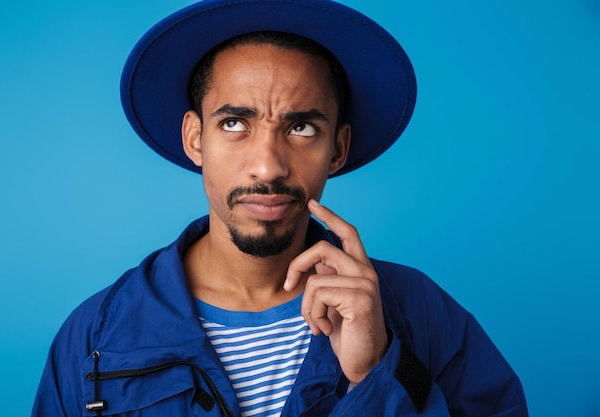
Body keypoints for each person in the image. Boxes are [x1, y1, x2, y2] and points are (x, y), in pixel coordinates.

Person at [31, 0, 528, 416]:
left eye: (302, 128)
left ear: (337, 149)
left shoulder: (416, 310)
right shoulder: (95, 334)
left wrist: (375, 372)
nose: (268, 167)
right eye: (233, 124)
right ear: (194, 138)